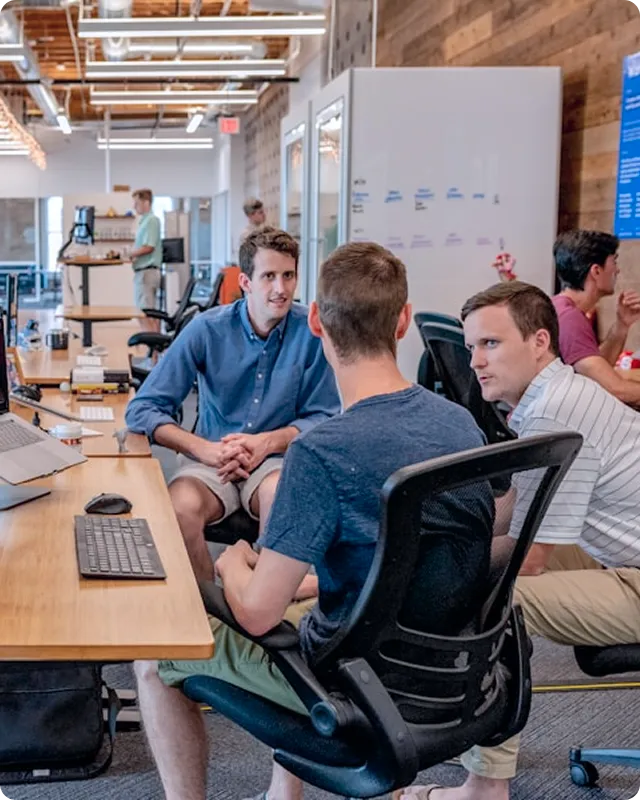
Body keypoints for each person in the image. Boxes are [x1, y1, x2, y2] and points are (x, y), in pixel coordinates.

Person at [133, 241, 495, 800]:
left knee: (154, 659)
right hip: (455, 673)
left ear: (319, 324)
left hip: (353, 685)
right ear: (403, 321)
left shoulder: (322, 454)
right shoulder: (461, 426)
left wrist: (235, 561)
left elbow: (255, 615)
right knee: (308, 598)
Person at [401, 281, 640, 800]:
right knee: (477, 566)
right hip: (619, 549)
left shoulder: (554, 412)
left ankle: (485, 786)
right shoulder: (552, 395)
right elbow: (511, 514)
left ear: (538, 342)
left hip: (634, 576)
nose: (475, 362)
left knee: (495, 597)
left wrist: (413, 573)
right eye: (471, 348)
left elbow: (527, 556)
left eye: (491, 344)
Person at [125, 227, 340, 584]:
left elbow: (327, 417)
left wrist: (267, 443)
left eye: (288, 276)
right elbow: (143, 408)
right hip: (211, 459)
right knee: (179, 509)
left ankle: (261, 608)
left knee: (281, 501)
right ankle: (212, 611)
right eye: (268, 276)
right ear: (245, 281)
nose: (281, 289)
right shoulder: (206, 330)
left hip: (275, 461)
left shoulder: (312, 332)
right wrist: (203, 449)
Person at [552, 229, 640, 406]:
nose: (618, 270)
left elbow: (596, 374)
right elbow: (615, 389)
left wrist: (622, 325)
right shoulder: (569, 318)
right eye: (613, 262)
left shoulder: (563, 308)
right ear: (596, 271)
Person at [130, 188, 163, 333]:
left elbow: (149, 246)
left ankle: (154, 350)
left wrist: (131, 254)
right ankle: (153, 350)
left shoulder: (151, 221)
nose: (134, 206)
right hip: (142, 272)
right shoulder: (144, 222)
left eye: (136, 203)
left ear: (146, 202)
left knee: (146, 313)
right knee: (145, 313)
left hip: (147, 272)